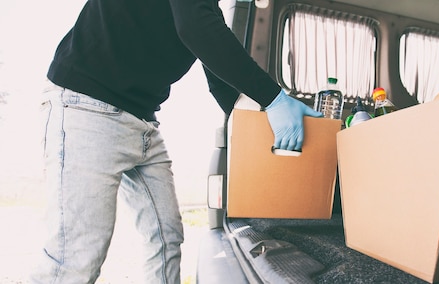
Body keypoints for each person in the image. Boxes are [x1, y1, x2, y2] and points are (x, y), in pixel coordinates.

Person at [30, 0, 322, 283]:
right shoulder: (197, 13)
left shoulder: (206, 7)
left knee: (166, 238)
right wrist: (273, 98)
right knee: (76, 259)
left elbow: (217, 77)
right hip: (87, 107)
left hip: (142, 123)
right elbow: (196, 28)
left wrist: (257, 128)